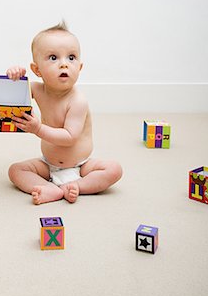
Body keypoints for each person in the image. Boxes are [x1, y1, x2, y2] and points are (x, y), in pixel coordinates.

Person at [7, 21, 122, 204]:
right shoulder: (37, 90)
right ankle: (51, 189)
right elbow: (13, 96)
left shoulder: (78, 101)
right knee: (15, 170)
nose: (64, 65)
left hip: (82, 165)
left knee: (114, 169)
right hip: (48, 164)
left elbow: (69, 137)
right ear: (37, 70)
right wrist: (15, 77)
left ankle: (78, 185)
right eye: (53, 58)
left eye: (71, 57)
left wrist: (38, 129)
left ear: (80, 67)